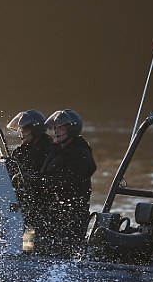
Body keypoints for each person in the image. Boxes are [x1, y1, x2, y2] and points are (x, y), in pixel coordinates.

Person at [39, 109, 97, 258]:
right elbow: (45, 174)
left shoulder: (81, 154)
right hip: (54, 213)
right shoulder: (57, 150)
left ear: (72, 129)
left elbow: (66, 181)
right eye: (56, 127)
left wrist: (41, 183)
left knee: (64, 253)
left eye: (61, 127)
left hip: (71, 215)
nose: (56, 131)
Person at [6, 109, 54, 241]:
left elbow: (46, 177)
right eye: (21, 129)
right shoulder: (20, 151)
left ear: (35, 130)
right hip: (22, 197)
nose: (21, 132)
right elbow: (9, 169)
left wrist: (27, 177)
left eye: (25, 129)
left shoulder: (49, 150)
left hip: (41, 201)